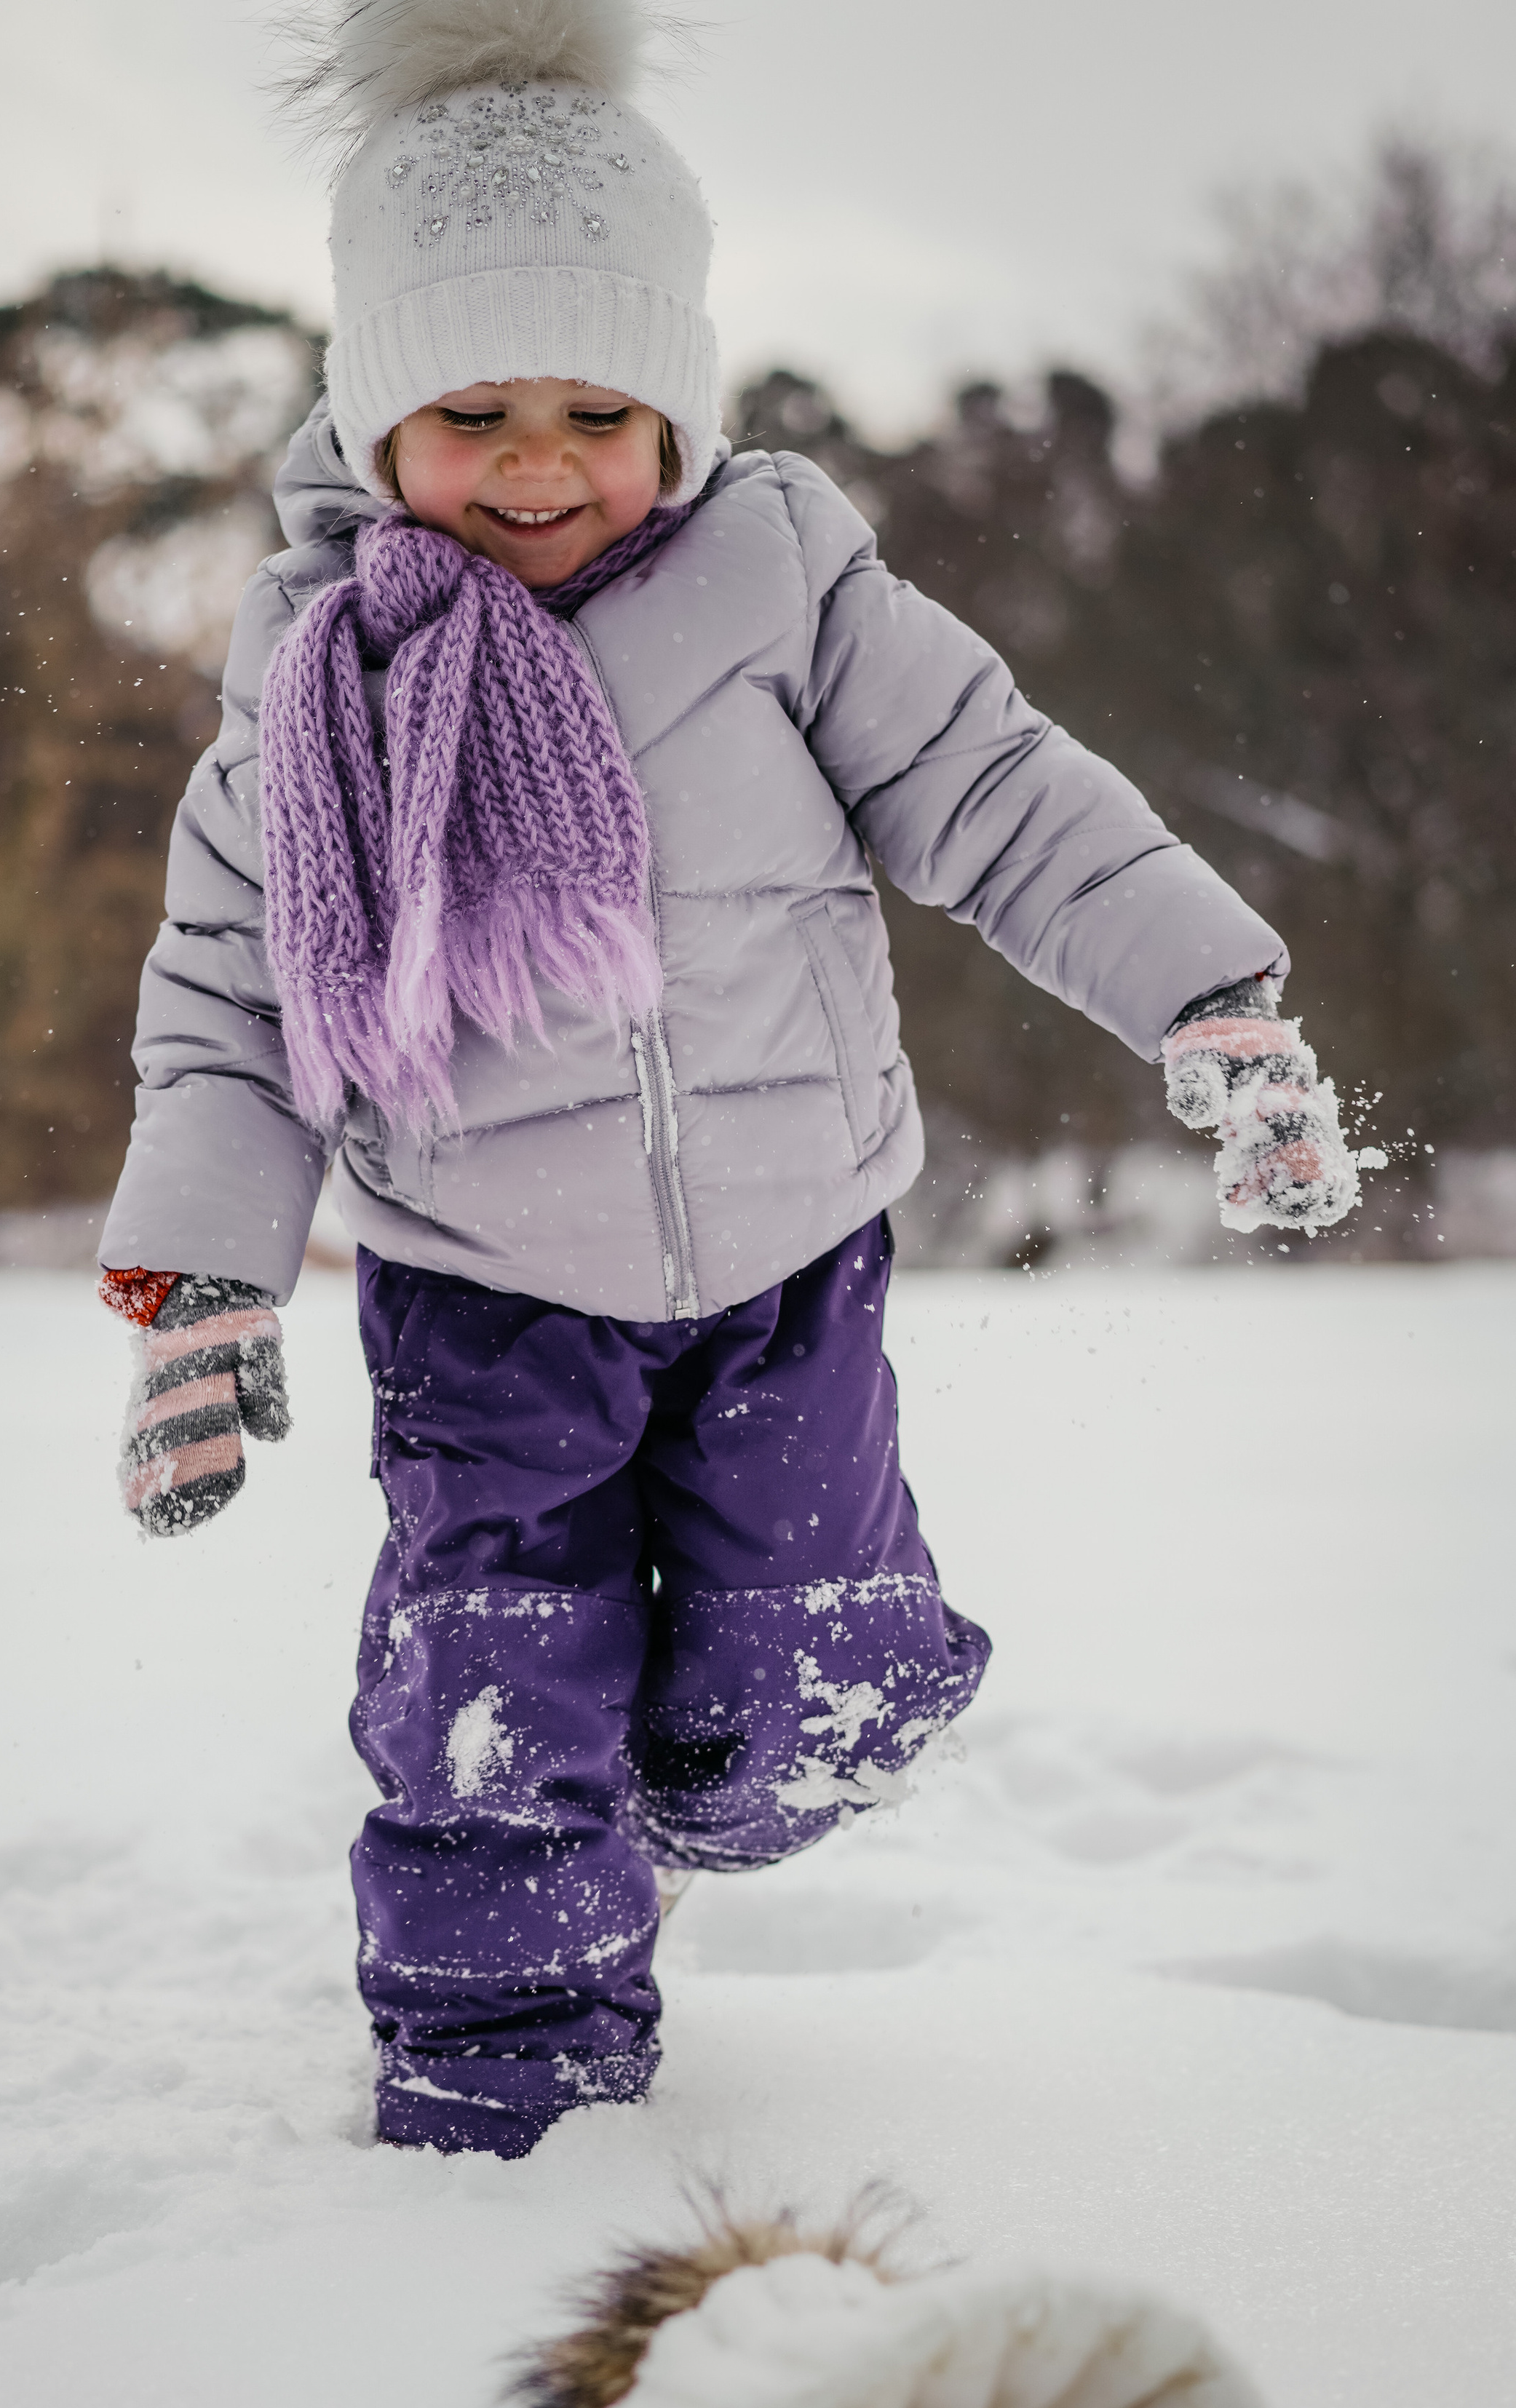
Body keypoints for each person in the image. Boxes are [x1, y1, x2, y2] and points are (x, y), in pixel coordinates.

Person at [95, 0, 1360, 2158]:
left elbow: (1004, 796)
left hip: (790, 1261)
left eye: (597, 410)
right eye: (471, 411)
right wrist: (202, 1284)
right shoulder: (318, 686)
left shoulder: (790, 589)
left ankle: (681, 1818)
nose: (536, 462)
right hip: (484, 1290)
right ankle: (501, 2093)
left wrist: (1207, 995)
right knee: (496, 1695)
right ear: (375, 416)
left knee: (821, 1686)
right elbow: (228, 1002)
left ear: (678, 407)